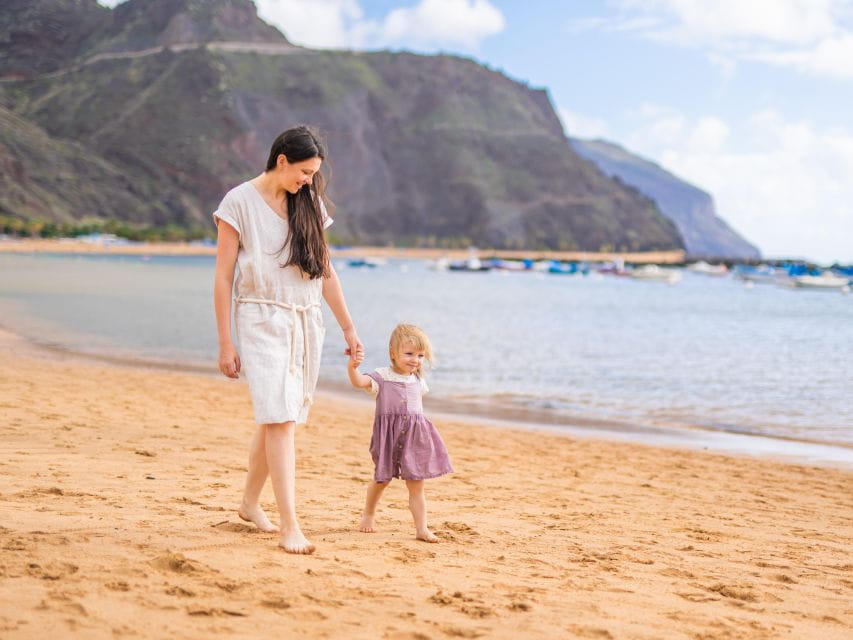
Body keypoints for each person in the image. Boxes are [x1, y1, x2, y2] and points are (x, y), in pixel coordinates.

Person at [213, 126, 362, 554]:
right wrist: (226, 342)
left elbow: (325, 271)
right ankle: (289, 526)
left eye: (313, 174)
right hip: (260, 317)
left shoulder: (308, 203)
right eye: (304, 172)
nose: (308, 181)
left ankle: (247, 503)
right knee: (280, 418)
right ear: (282, 161)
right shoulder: (238, 202)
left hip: (305, 320)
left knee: (281, 414)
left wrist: (349, 328)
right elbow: (223, 278)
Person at [347, 323, 452, 543]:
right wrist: (352, 367)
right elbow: (358, 382)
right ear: (393, 354)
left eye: (420, 355)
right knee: (381, 479)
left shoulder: (418, 381)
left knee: (416, 484)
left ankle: (421, 529)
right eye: (409, 353)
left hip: (414, 439)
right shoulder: (382, 376)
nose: (415, 360)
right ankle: (368, 514)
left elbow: (416, 413)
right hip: (389, 438)